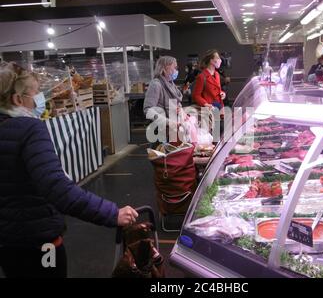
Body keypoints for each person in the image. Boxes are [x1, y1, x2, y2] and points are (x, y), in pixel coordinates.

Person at [0, 62, 138, 278]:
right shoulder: (30, 129)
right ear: (18, 99)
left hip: (8, 244)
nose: (40, 100)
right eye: (36, 93)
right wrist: (111, 213)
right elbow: (57, 188)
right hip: (40, 244)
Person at [143, 56, 185, 144]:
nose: (176, 70)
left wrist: (179, 109)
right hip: (161, 131)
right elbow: (148, 110)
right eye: (174, 67)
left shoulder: (170, 83)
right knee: (161, 155)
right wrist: (167, 122)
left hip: (172, 130)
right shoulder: (156, 84)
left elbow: (177, 102)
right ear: (165, 68)